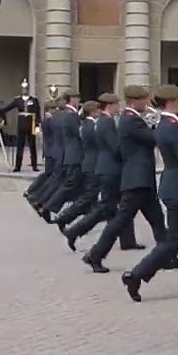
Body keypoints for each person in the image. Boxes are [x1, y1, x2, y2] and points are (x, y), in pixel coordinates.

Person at [122, 84, 178, 302]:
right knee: (174, 240)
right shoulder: (171, 126)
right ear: (171, 102)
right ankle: (137, 275)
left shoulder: (168, 123)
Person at [83, 85, 171, 274]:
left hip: (142, 178)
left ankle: (167, 256)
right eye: (144, 100)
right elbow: (154, 138)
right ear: (135, 101)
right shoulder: (131, 120)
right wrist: (164, 121)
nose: (147, 104)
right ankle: (95, 255)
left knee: (157, 219)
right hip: (136, 178)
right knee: (121, 220)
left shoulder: (132, 118)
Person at [64, 93, 121, 251]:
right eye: (116, 104)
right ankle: (75, 231)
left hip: (105, 167)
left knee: (117, 209)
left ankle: (126, 240)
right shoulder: (106, 122)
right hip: (108, 168)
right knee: (106, 208)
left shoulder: (103, 121)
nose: (118, 107)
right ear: (110, 105)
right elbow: (114, 148)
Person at [54, 101, 101, 234]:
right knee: (89, 196)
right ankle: (65, 217)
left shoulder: (86, 124)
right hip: (93, 164)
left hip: (89, 163)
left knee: (91, 196)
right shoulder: (90, 126)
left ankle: (71, 218)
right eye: (98, 110)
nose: (99, 113)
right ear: (92, 112)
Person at [40, 91, 83, 220]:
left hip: (69, 153)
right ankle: (48, 206)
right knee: (69, 184)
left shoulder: (68, 114)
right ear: (71, 99)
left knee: (75, 185)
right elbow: (78, 133)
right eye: (77, 98)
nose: (78, 101)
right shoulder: (71, 114)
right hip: (73, 153)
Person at [0, 79, 40, 173]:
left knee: (32, 146)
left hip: (31, 124)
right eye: (23, 88)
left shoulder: (34, 100)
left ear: (28, 89)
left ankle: (34, 165)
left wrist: (37, 128)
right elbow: (9, 107)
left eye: (26, 88)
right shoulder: (18, 100)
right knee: (19, 146)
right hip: (21, 124)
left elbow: (38, 114)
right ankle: (18, 166)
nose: (24, 90)